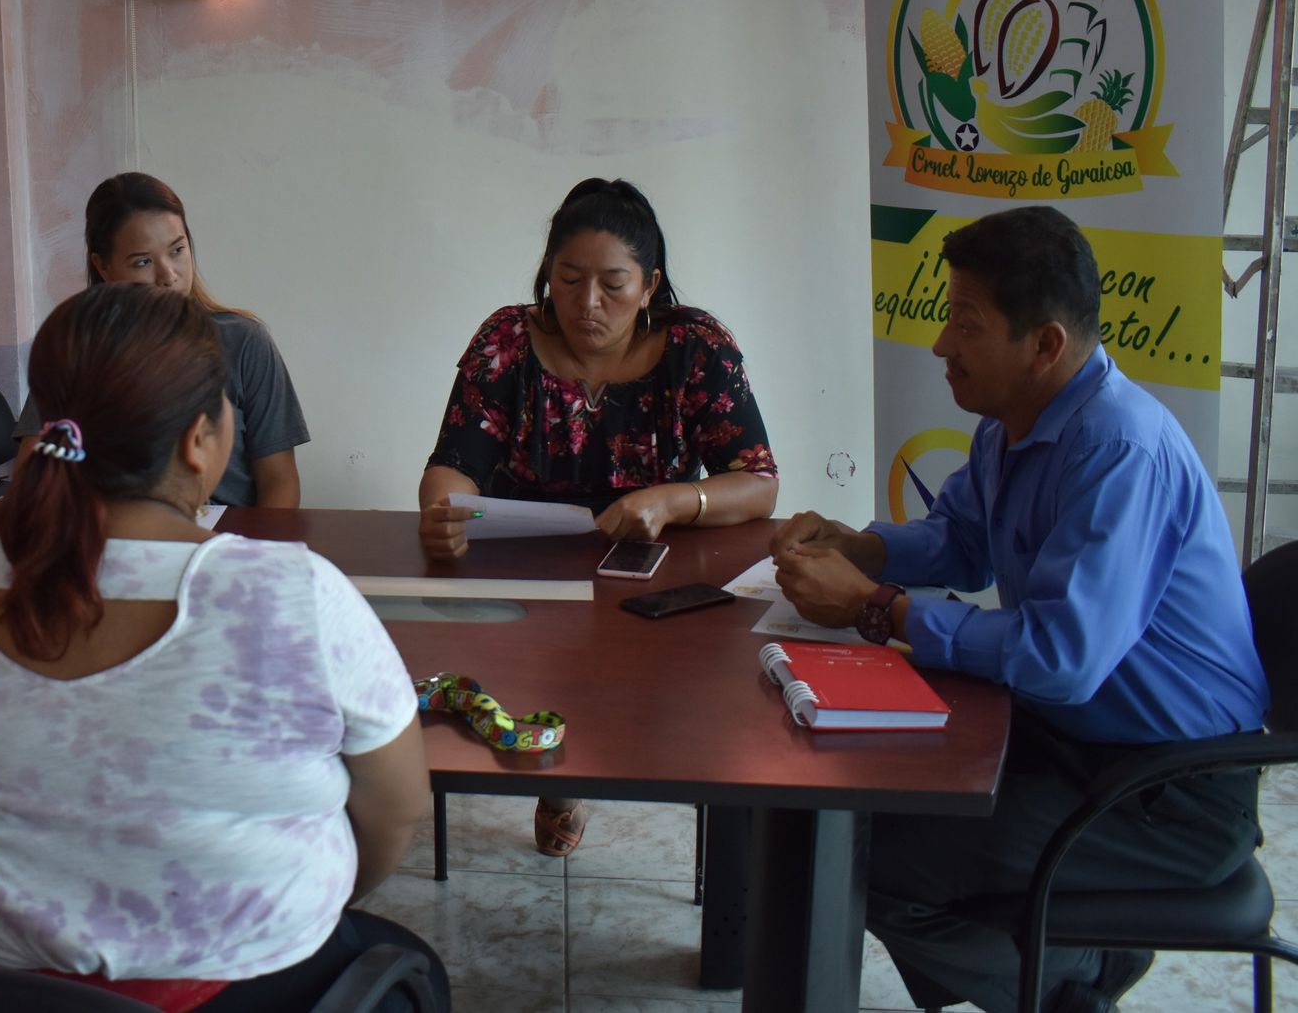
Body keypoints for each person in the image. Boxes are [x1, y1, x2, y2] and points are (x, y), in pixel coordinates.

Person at [0, 282, 448, 1012]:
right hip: (236, 989)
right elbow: (396, 808)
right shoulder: (293, 595)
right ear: (197, 440)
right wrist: (304, 904)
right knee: (412, 967)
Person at [771, 205, 1268, 1013]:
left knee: (868, 860)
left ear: (1044, 345)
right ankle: (1075, 960)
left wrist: (877, 608)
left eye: (966, 324)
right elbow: (962, 542)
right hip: (1069, 737)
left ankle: (1073, 986)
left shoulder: (1120, 450)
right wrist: (860, 548)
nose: (942, 345)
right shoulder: (1011, 424)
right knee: (852, 796)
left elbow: (1062, 659)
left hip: (1169, 790)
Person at [418, 177, 779, 856]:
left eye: (613, 285)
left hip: (655, 572)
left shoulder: (697, 347)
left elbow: (757, 484)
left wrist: (671, 500)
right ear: (547, 274)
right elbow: (454, 464)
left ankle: (625, 768)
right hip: (528, 571)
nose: (588, 303)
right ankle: (560, 774)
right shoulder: (507, 340)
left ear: (649, 286)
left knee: (682, 699)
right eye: (568, 279)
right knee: (517, 672)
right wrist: (442, 510)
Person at [13, 172, 309, 507]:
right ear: (104, 267)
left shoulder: (244, 342)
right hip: (111, 531)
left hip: (225, 534)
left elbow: (280, 481)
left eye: (177, 250)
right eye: (143, 261)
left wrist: (247, 544)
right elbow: (31, 477)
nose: (168, 275)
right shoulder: (78, 349)